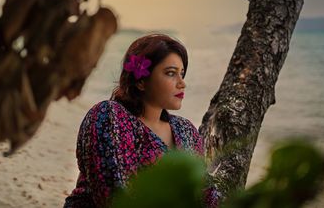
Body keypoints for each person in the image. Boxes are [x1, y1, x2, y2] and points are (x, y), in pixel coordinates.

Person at [64, 34, 220, 208]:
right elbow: (114, 195)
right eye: (171, 73)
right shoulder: (109, 116)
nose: (182, 83)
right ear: (141, 81)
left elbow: (205, 193)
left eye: (182, 74)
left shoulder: (186, 131)